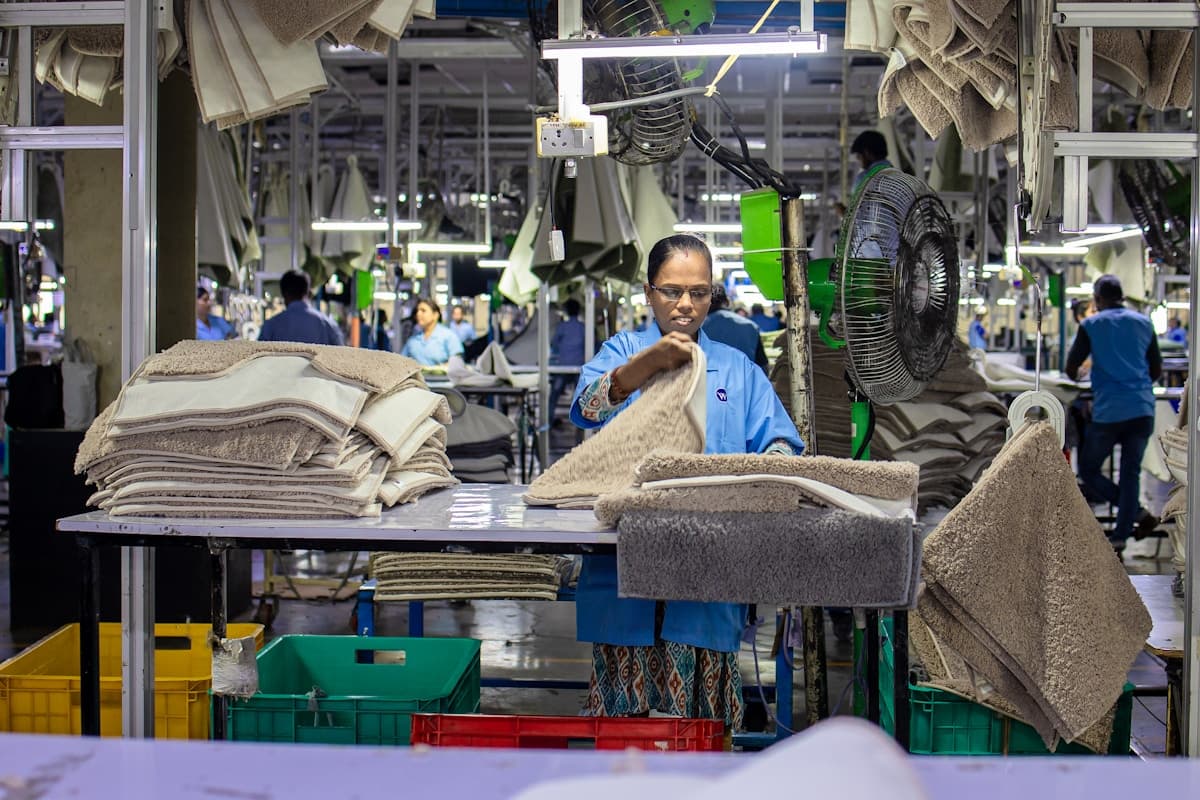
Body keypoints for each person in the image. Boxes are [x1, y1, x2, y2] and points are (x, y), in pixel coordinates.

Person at [569, 234, 804, 727]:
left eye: (698, 292)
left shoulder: (736, 370)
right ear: (649, 292)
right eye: (672, 291)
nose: (685, 304)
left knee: (697, 721)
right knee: (624, 719)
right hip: (626, 552)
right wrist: (643, 367)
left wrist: (759, 478)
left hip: (707, 558)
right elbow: (587, 408)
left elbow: (782, 443)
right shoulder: (623, 351)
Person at [1065, 274, 1162, 553]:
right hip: (1141, 409)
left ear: (1097, 299)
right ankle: (1122, 533)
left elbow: (1071, 368)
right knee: (1130, 473)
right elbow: (1156, 370)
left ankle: (1136, 514)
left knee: (1088, 469)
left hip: (1109, 412)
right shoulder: (1144, 323)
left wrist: (1088, 375)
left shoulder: (1091, 325)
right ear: (1122, 297)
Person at [258, 270, 343, 345]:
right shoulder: (328, 325)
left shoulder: (271, 326)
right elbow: (341, 355)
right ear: (308, 292)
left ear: (283, 294)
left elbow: (257, 356)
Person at [702, 283, 768, 371]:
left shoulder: (697, 328)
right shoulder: (750, 326)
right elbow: (762, 366)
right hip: (744, 378)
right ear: (727, 302)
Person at [548, 298, 586, 423]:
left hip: (563, 367)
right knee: (581, 398)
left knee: (554, 396)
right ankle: (582, 423)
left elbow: (553, 344)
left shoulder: (562, 327)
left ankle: (548, 421)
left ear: (566, 311)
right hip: (579, 368)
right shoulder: (583, 328)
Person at [400, 296, 464, 367]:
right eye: (417, 311)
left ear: (435, 315)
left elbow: (457, 362)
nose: (418, 314)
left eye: (423, 310)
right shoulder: (412, 340)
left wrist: (439, 369)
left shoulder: (449, 336)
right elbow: (401, 362)